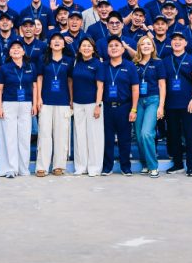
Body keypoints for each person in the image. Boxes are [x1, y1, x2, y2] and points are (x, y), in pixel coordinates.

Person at [0, 40, 37, 178]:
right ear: (9, 52)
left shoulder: (30, 66)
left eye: (19, 47)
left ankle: (23, 168)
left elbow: (35, 86)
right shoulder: (4, 68)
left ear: (24, 52)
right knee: (9, 137)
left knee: (24, 137)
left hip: (26, 104)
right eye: (13, 48)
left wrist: (34, 104)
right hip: (9, 103)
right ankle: (10, 168)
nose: (16, 50)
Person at [163, 32, 192, 176]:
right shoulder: (165, 60)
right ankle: (178, 164)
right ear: (170, 43)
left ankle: (191, 166)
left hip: (187, 104)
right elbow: (162, 83)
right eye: (174, 40)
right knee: (174, 135)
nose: (177, 42)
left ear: (185, 43)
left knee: (189, 135)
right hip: (170, 104)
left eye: (180, 39)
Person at [35, 33, 73, 177]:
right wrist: (38, 98)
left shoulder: (69, 60)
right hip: (46, 101)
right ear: (50, 44)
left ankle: (59, 165)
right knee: (44, 134)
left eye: (60, 40)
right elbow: (39, 79)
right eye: (54, 40)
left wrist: (71, 99)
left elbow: (70, 81)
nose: (57, 42)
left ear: (64, 44)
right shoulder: (43, 59)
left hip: (63, 101)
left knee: (61, 135)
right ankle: (42, 166)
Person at [101, 35, 139, 176]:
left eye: (117, 45)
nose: (114, 48)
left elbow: (135, 89)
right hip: (107, 107)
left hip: (124, 106)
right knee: (108, 138)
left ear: (123, 49)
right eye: (111, 46)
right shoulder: (103, 66)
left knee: (125, 139)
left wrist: (134, 109)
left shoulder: (130, 66)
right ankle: (107, 166)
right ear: (107, 50)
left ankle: (125, 166)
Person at [132, 35, 166, 178]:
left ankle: (153, 166)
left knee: (147, 133)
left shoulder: (158, 63)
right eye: (142, 44)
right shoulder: (134, 64)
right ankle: (145, 163)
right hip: (138, 101)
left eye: (148, 44)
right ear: (139, 47)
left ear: (152, 47)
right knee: (139, 135)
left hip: (153, 100)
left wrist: (161, 106)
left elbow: (162, 85)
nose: (145, 46)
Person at [71, 37, 104, 177]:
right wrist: (71, 101)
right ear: (79, 49)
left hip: (92, 104)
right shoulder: (76, 63)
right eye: (83, 46)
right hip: (77, 104)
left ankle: (94, 167)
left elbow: (100, 86)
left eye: (89, 46)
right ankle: (80, 166)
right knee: (79, 136)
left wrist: (98, 105)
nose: (86, 48)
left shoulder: (98, 64)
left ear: (93, 49)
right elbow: (71, 83)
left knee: (94, 136)